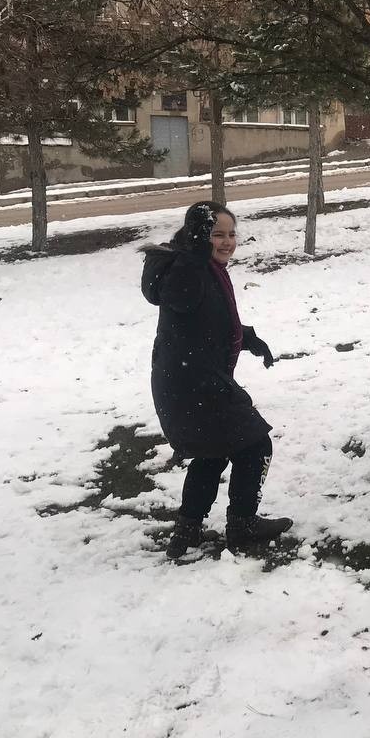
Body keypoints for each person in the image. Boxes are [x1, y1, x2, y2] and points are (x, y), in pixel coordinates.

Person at [142, 202, 292, 559]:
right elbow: (182, 297)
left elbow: (207, 320)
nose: (226, 242)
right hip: (195, 384)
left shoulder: (204, 269)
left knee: (211, 455)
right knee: (255, 446)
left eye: (231, 234)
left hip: (186, 380)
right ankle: (242, 524)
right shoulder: (189, 269)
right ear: (196, 237)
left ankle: (187, 530)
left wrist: (249, 339)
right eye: (216, 234)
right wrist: (195, 253)